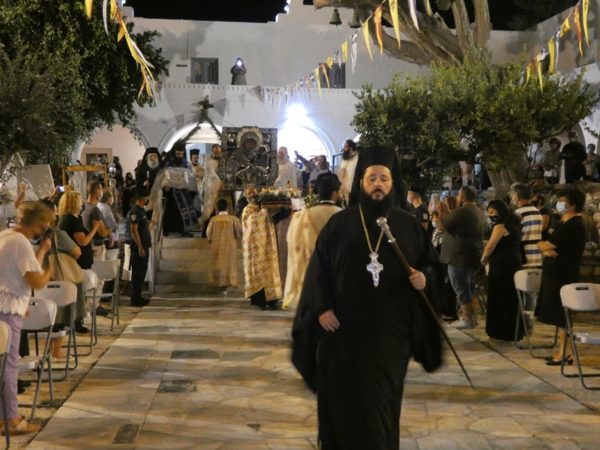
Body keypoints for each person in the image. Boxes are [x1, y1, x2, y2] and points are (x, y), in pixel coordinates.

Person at [291, 146, 441, 450]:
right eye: (372, 178)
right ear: (361, 182)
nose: (378, 184)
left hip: (390, 338)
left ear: (392, 182)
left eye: (384, 178)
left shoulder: (408, 225)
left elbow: (431, 265)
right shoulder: (340, 224)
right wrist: (321, 308)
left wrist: (424, 277)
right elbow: (318, 271)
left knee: (381, 408)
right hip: (344, 334)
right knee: (343, 407)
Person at [0, 201, 53, 435]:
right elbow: (36, 281)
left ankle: (3, 416)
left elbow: (17, 276)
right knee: (9, 366)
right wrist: (51, 270)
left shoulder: (6, 235)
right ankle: (11, 419)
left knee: (2, 365)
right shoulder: (21, 242)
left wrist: (41, 252)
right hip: (7, 311)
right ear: (39, 224)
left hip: (6, 306)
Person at [536, 187, 586, 366]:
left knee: (562, 315)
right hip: (556, 274)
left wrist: (545, 247)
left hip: (563, 276)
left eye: (562, 201)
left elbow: (547, 245)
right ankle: (564, 350)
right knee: (559, 316)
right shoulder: (564, 223)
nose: (559, 204)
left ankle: (566, 352)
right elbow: (544, 245)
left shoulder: (573, 225)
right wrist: (545, 248)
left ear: (572, 204)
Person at [283, 174, 342, 310]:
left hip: (310, 278)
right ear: (335, 193)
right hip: (335, 279)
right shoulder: (343, 215)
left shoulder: (302, 216)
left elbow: (290, 240)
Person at [441, 185, 486, 329]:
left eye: (459, 194)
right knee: (469, 287)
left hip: (459, 256)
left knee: (461, 288)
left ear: (463, 196)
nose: (457, 197)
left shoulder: (462, 211)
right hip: (474, 255)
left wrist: (442, 210)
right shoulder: (479, 211)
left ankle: (467, 319)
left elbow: (444, 224)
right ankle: (471, 317)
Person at [58, 190, 102, 329]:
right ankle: (77, 321)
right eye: (80, 200)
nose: (82, 203)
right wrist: (95, 228)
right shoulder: (73, 220)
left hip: (73, 261)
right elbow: (82, 241)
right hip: (77, 263)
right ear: (74, 203)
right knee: (78, 292)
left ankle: (74, 320)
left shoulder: (65, 219)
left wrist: (89, 250)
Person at [481, 200, 523, 342]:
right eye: (488, 212)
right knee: (510, 296)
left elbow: (490, 246)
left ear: (500, 211)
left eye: (492, 212)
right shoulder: (514, 224)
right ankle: (512, 331)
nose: (490, 215)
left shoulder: (500, 226)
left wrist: (483, 258)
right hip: (514, 262)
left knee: (499, 296)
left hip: (501, 264)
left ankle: (500, 331)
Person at [241, 185, 282, 310]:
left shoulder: (263, 208)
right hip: (254, 249)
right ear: (246, 196)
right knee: (258, 271)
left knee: (270, 270)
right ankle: (260, 301)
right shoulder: (247, 210)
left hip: (268, 246)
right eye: (249, 193)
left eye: (254, 192)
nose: (253, 195)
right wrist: (264, 213)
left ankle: (272, 299)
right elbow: (252, 223)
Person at [206, 199, 242, 294]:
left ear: (217, 208)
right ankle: (228, 284)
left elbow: (208, 233)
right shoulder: (234, 219)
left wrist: (211, 240)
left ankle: (220, 284)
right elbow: (239, 232)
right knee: (229, 264)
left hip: (217, 246)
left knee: (218, 263)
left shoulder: (213, 220)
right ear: (227, 207)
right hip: (230, 247)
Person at [125, 192, 152, 307]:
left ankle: (138, 297)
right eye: (146, 197)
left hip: (144, 245)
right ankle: (135, 299)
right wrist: (140, 247)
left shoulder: (142, 211)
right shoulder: (135, 212)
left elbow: (142, 227)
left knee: (142, 273)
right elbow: (134, 229)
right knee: (138, 273)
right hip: (138, 247)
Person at [163, 141, 194, 237]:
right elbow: (166, 175)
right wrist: (167, 184)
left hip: (183, 191)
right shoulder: (169, 163)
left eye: (181, 154)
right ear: (174, 153)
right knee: (169, 211)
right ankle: (167, 230)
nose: (179, 156)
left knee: (183, 211)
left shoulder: (186, 164)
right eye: (177, 154)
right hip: (171, 191)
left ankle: (183, 230)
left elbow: (189, 176)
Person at [510, 183, 542, 268]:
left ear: (516, 196)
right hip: (537, 257)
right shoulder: (537, 212)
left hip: (524, 258)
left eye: (512, 195)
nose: (511, 198)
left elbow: (514, 237)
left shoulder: (518, 213)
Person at [81, 180, 112, 261]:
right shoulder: (95, 210)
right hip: (96, 248)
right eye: (101, 190)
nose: (102, 192)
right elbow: (102, 233)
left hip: (88, 245)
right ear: (98, 192)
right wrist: (111, 228)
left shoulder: (84, 206)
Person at [200, 144, 224, 228]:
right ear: (212, 151)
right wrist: (220, 182)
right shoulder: (208, 160)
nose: (217, 154)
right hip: (210, 187)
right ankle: (208, 229)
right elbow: (211, 174)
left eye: (218, 152)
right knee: (210, 207)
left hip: (223, 190)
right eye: (215, 152)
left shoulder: (224, 160)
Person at [336, 139, 359, 206]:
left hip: (353, 188)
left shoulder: (357, 158)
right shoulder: (344, 158)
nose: (344, 149)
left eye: (346, 147)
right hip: (343, 187)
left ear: (351, 148)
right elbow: (341, 172)